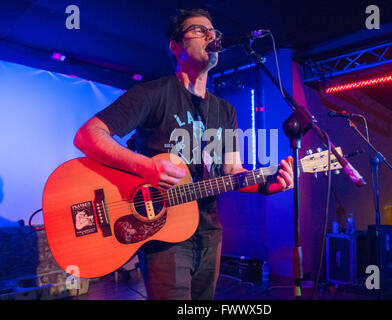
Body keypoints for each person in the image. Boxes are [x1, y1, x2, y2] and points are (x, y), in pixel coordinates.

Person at [74, 8, 293, 300]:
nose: (211, 36)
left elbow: (232, 173)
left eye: (213, 31)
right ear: (175, 47)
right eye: (199, 30)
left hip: (210, 235)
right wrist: (145, 166)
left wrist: (270, 186)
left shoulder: (224, 111)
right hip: (163, 237)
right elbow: (87, 135)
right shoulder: (154, 93)